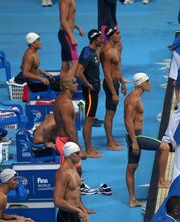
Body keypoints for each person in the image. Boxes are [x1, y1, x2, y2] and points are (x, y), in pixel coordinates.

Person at [124, 73, 170, 208]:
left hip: (135, 136)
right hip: (136, 137)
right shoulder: (133, 99)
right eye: (148, 81)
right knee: (165, 147)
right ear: (141, 83)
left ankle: (132, 200)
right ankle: (162, 180)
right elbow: (127, 121)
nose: (150, 84)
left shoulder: (136, 97)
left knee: (132, 167)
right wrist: (134, 141)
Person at [76, 29, 103, 158]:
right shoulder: (87, 52)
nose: (102, 40)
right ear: (94, 39)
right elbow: (78, 72)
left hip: (95, 89)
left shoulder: (93, 52)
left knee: (91, 118)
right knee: (89, 119)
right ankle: (88, 149)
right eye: (99, 38)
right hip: (90, 92)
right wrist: (88, 85)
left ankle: (90, 147)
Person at [100, 27, 127, 151]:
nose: (119, 35)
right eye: (117, 33)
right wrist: (113, 93)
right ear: (111, 36)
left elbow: (117, 67)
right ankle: (109, 143)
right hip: (110, 85)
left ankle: (112, 140)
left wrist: (122, 83)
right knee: (109, 114)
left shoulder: (117, 48)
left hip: (116, 83)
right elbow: (107, 74)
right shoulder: (106, 52)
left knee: (112, 113)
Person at [54, 78, 85, 168]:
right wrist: (79, 149)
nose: (77, 84)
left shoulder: (62, 99)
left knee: (75, 175)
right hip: (67, 144)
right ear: (67, 86)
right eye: (74, 83)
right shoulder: (65, 104)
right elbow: (69, 129)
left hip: (67, 141)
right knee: (69, 175)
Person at [58, 0, 85, 79]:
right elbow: (63, 20)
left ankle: (63, 87)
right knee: (75, 63)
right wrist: (71, 37)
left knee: (65, 64)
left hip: (65, 34)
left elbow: (68, 19)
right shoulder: (65, 1)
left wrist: (77, 27)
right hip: (66, 35)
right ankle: (67, 87)